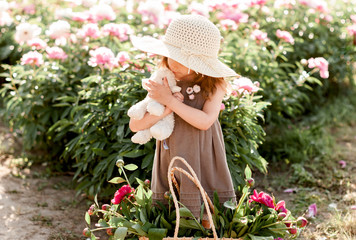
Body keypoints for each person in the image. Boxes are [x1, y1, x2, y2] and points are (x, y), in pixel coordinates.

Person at [129, 14, 238, 228]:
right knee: (170, 209)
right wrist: (163, 108)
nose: (175, 64)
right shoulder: (163, 80)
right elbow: (136, 125)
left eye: (183, 59)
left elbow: (205, 121)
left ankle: (205, 228)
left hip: (203, 154)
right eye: (172, 56)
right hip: (172, 155)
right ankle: (175, 228)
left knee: (208, 215)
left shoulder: (215, 86)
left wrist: (170, 100)